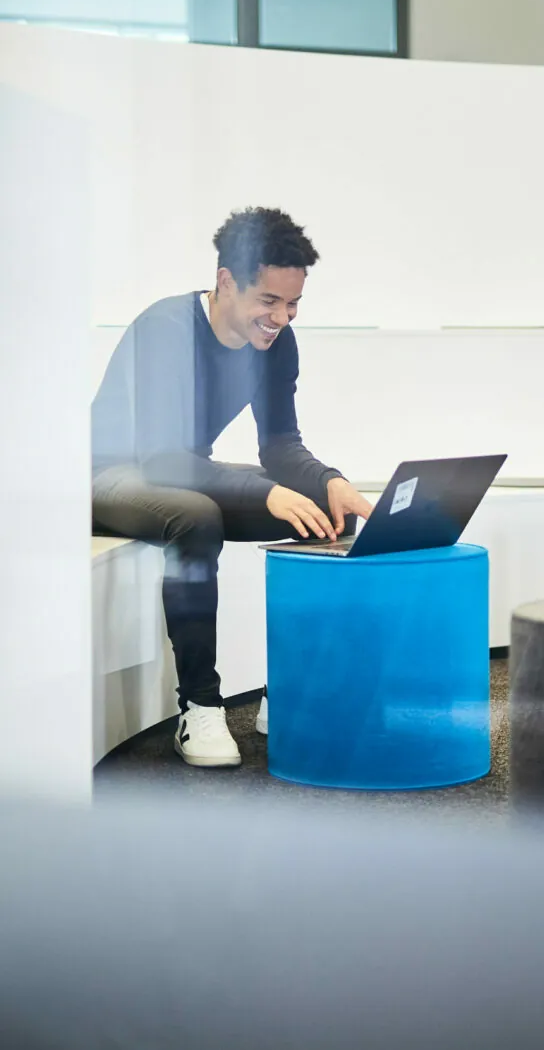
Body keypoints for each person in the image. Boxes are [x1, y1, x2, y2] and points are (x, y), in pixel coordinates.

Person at [92, 207, 372, 768]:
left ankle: (290, 691)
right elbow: (163, 457)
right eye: (268, 301)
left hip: (180, 469)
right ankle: (199, 707)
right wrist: (265, 493)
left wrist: (331, 482)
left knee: (325, 513)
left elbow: (280, 446)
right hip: (109, 475)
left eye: (292, 305)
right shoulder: (166, 328)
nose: (281, 317)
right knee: (196, 516)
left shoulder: (275, 342)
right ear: (226, 281)